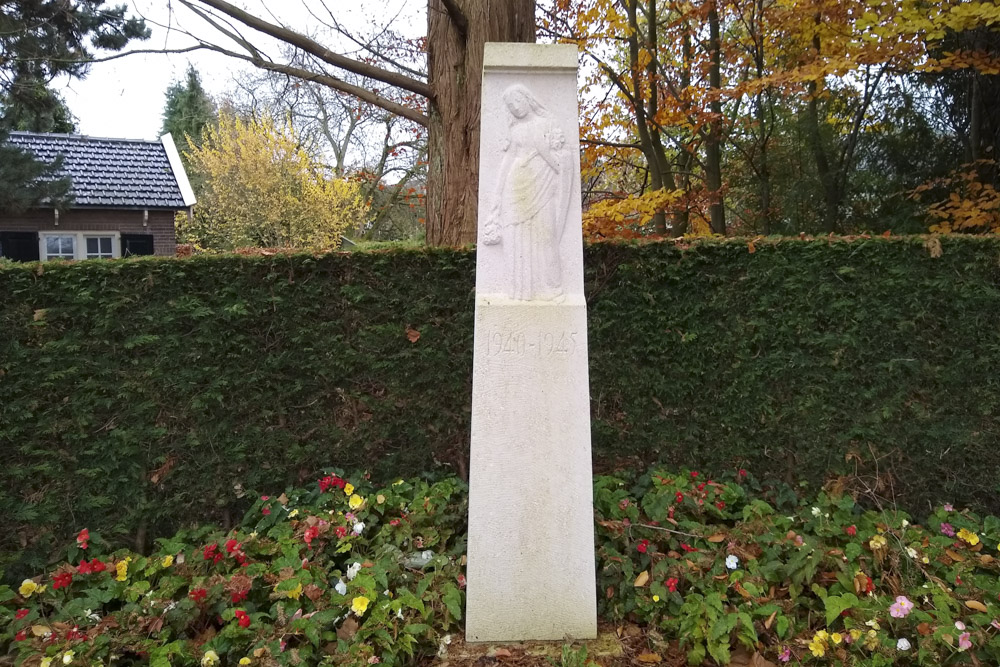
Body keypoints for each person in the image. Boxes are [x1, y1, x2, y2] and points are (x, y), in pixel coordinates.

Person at [482, 84, 573, 300]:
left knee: (546, 236)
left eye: (517, 102)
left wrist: (558, 164)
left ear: (527, 99)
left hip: (542, 183)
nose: (515, 108)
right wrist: (497, 195)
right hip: (517, 186)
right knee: (516, 239)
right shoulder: (515, 130)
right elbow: (507, 161)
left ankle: (550, 288)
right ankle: (521, 290)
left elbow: (556, 154)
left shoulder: (547, 124)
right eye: (511, 106)